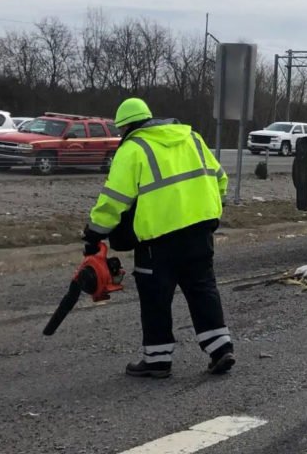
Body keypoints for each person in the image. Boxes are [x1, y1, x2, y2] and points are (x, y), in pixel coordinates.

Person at [84, 98, 235, 378]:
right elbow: (220, 179)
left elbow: (114, 199)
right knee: (202, 288)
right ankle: (220, 348)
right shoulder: (192, 137)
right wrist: (212, 210)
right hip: (200, 231)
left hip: (158, 240)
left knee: (156, 298)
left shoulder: (133, 149)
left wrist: (95, 232)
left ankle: (157, 360)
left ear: (126, 126)